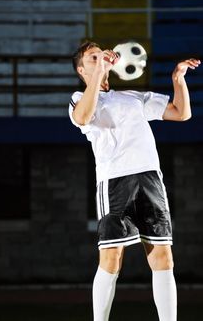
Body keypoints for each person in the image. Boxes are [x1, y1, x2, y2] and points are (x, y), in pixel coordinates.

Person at [68, 40, 201, 321]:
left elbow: (182, 113)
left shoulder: (132, 96)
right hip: (114, 183)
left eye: (101, 55)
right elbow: (83, 116)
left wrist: (178, 79)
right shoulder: (80, 98)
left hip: (150, 180)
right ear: (82, 70)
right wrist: (100, 71)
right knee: (112, 260)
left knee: (163, 259)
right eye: (92, 58)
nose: (100, 58)